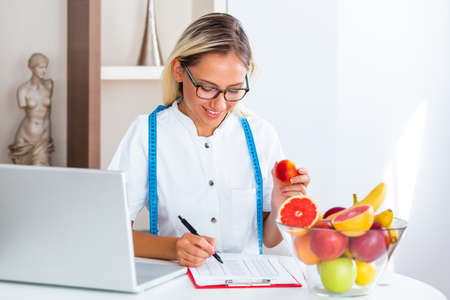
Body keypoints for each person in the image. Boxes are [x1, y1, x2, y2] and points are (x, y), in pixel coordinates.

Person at [109, 13, 310, 268]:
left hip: (248, 285)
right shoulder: (147, 134)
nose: (220, 103)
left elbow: (269, 239)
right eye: (207, 87)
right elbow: (112, 232)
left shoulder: (261, 135)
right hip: (176, 283)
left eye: (234, 90)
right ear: (179, 70)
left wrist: (282, 203)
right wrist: (173, 248)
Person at [9, 53, 54, 166]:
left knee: (42, 174)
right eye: (40, 67)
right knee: (23, 176)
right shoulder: (23, 90)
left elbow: (48, 114)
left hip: (43, 138)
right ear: (32, 68)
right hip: (25, 139)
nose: (44, 71)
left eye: (45, 67)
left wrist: (48, 136)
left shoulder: (49, 85)